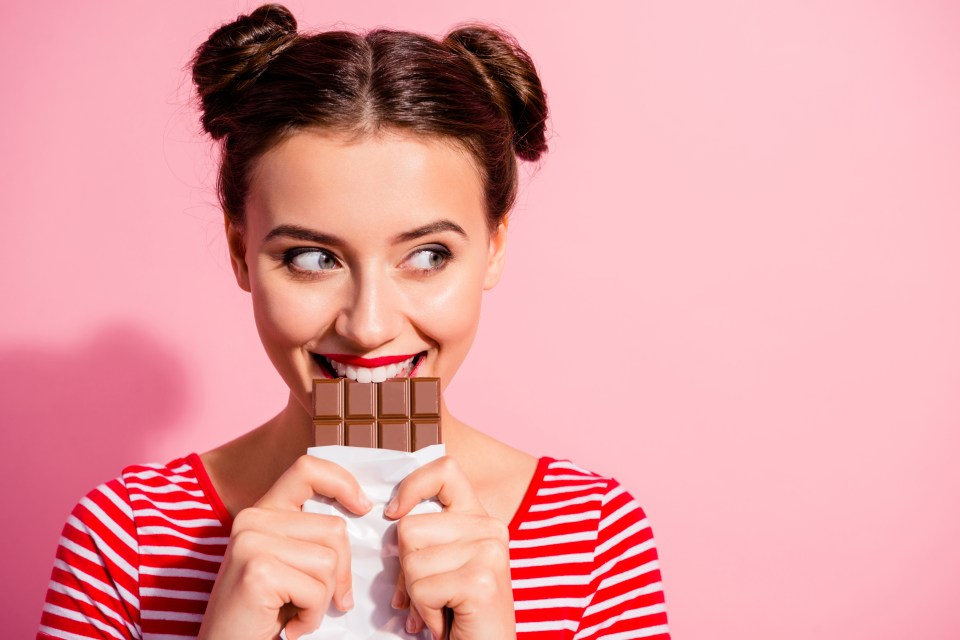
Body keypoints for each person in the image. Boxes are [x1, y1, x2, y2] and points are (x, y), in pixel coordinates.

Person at [37, 4, 669, 639]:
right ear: (239, 252)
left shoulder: (592, 537)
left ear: (495, 246)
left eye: (426, 256)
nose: (368, 327)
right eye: (312, 258)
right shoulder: (127, 539)